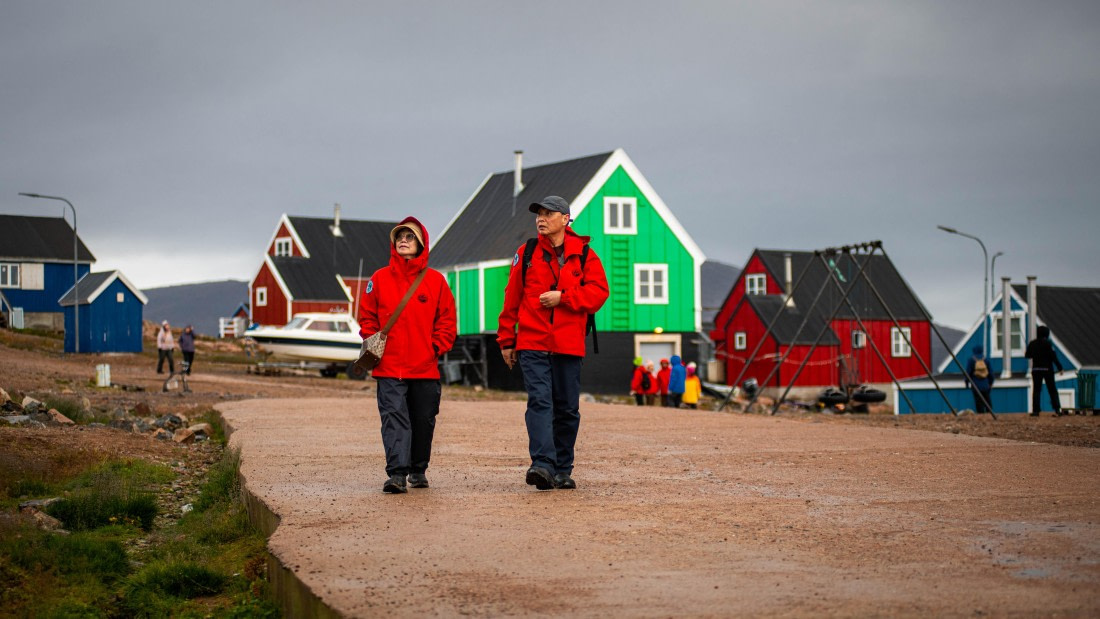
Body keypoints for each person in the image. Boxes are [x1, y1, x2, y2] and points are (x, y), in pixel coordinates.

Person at [498, 196, 609, 491]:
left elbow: (599, 293)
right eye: (539, 214)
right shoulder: (527, 252)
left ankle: (562, 468)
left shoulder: (585, 254)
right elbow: (512, 297)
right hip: (532, 342)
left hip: (569, 344)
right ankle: (542, 464)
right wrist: (507, 339)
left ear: (565, 219)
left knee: (567, 409)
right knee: (540, 402)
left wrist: (565, 297)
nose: (541, 219)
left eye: (549, 213)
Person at [358, 217, 457, 494]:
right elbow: (367, 316)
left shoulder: (436, 281)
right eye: (400, 236)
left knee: (423, 420)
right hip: (389, 366)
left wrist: (435, 347)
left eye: (410, 237)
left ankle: (418, 468)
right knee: (394, 417)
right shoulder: (378, 278)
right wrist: (371, 340)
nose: (403, 240)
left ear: (421, 243)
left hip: (424, 366)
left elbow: (447, 321)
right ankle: (397, 474)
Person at [1025, 325, 1063, 417]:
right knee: (1052, 389)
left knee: (1036, 390)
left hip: (1036, 369)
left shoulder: (1032, 343)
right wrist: (1060, 368)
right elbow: (1053, 357)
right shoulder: (1048, 344)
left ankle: (1036, 411)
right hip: (1047, 369)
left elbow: (1027, 356)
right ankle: (1057, 409)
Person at [964, 345, 993, 414]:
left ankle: (981, 415)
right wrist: (990, 383)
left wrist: (967, 384)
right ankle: (989, 415)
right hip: (985, 384)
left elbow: (968, 373)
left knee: (978, 402)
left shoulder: (971, 360)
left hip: (975, 384)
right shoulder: (986, 360)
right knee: (987, 400)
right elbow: (991, 373)